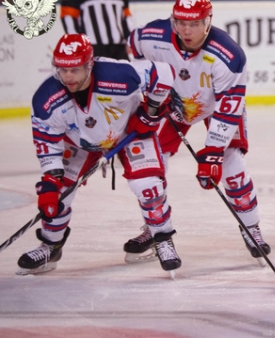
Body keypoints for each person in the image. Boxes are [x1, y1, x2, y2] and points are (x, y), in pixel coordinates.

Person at [126, 0, 270, 265]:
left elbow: (229, 106)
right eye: (181, 22)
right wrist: (151, 91)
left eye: (194, 23)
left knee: (231, 165)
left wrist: (214, 151)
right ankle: (154, 229)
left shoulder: (229, 55)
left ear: (208, 21)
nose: (186, 30)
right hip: (174, 107)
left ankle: (251, 227)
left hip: (216, 107)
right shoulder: (152, 36)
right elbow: (133, 51)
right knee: (150, 166)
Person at [19, 33, 178, 276]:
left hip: (128, 132)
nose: (68, 76)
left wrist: (150, 111)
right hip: (81, 142)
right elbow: (47, 142)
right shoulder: (46, 99)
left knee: (147, 185)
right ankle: (51, 246)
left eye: (74, 70)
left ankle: (163, 239)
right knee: (58, 193)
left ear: (89, 65)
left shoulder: (119, 75)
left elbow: (164, 73)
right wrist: (51, 180)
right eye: (62, 69)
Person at [60, 0, 134, 60]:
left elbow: (126, 15)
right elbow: (68, 15)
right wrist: (77, 43)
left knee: (123, 73)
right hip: (91, 47)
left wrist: (131, 40)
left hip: (118, 48)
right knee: (95, 73)